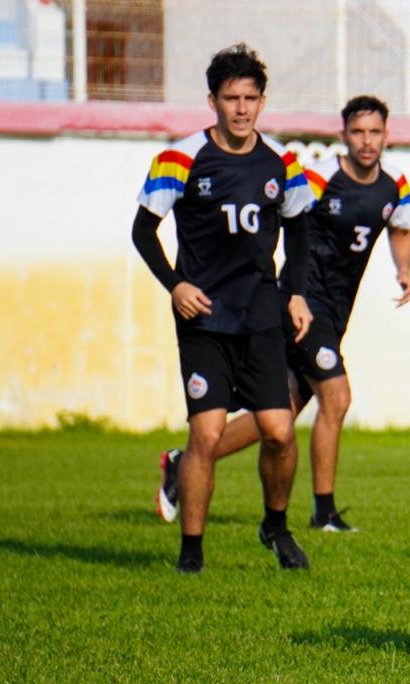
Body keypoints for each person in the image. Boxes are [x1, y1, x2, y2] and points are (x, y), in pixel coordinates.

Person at [155, 95, 410, 534]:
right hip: (302, 306)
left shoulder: (395, 188)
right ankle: (323, 513)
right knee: (337, 396)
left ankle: (185, 463)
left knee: (278, 417)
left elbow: (401, 229)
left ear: (386, 135)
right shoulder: (318, 180)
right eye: (358, 132)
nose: (367, 141)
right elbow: (287, 224)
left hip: (336, 312)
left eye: (375, 132)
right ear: (343, 136)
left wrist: (404, 271)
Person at [132, 43, 316, 573]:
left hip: (260, 315)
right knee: (207, 435)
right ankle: (191, 552)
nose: (241, 108)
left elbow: (300, 227)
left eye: (250, 98)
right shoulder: (180, 157)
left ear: (262, 101)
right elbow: (144, 230)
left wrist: (295, 291)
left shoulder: (283, 160)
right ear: (212, 100)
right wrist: (174, 285)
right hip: (204, 318)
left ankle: (275, 527)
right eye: (230, 98)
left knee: (280, 432)